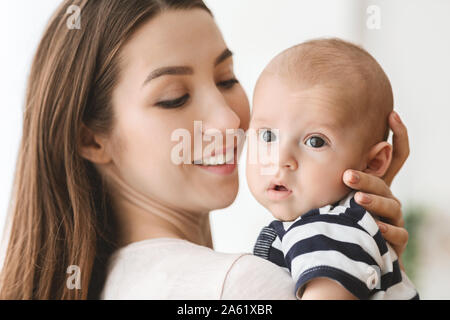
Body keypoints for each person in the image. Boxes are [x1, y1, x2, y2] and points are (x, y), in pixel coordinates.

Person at [0, 0, 411, 300]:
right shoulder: (239, 285)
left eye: (227, 78)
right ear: (92, 139)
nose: (230, 121)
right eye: (175, 98)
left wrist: (364, 251)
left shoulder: (100, 282)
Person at [247, 38, 418, 300]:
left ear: (373, 163)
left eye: (315, 141)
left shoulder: (329, 231)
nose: (281, 159)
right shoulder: (329, 227)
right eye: (268, 136)